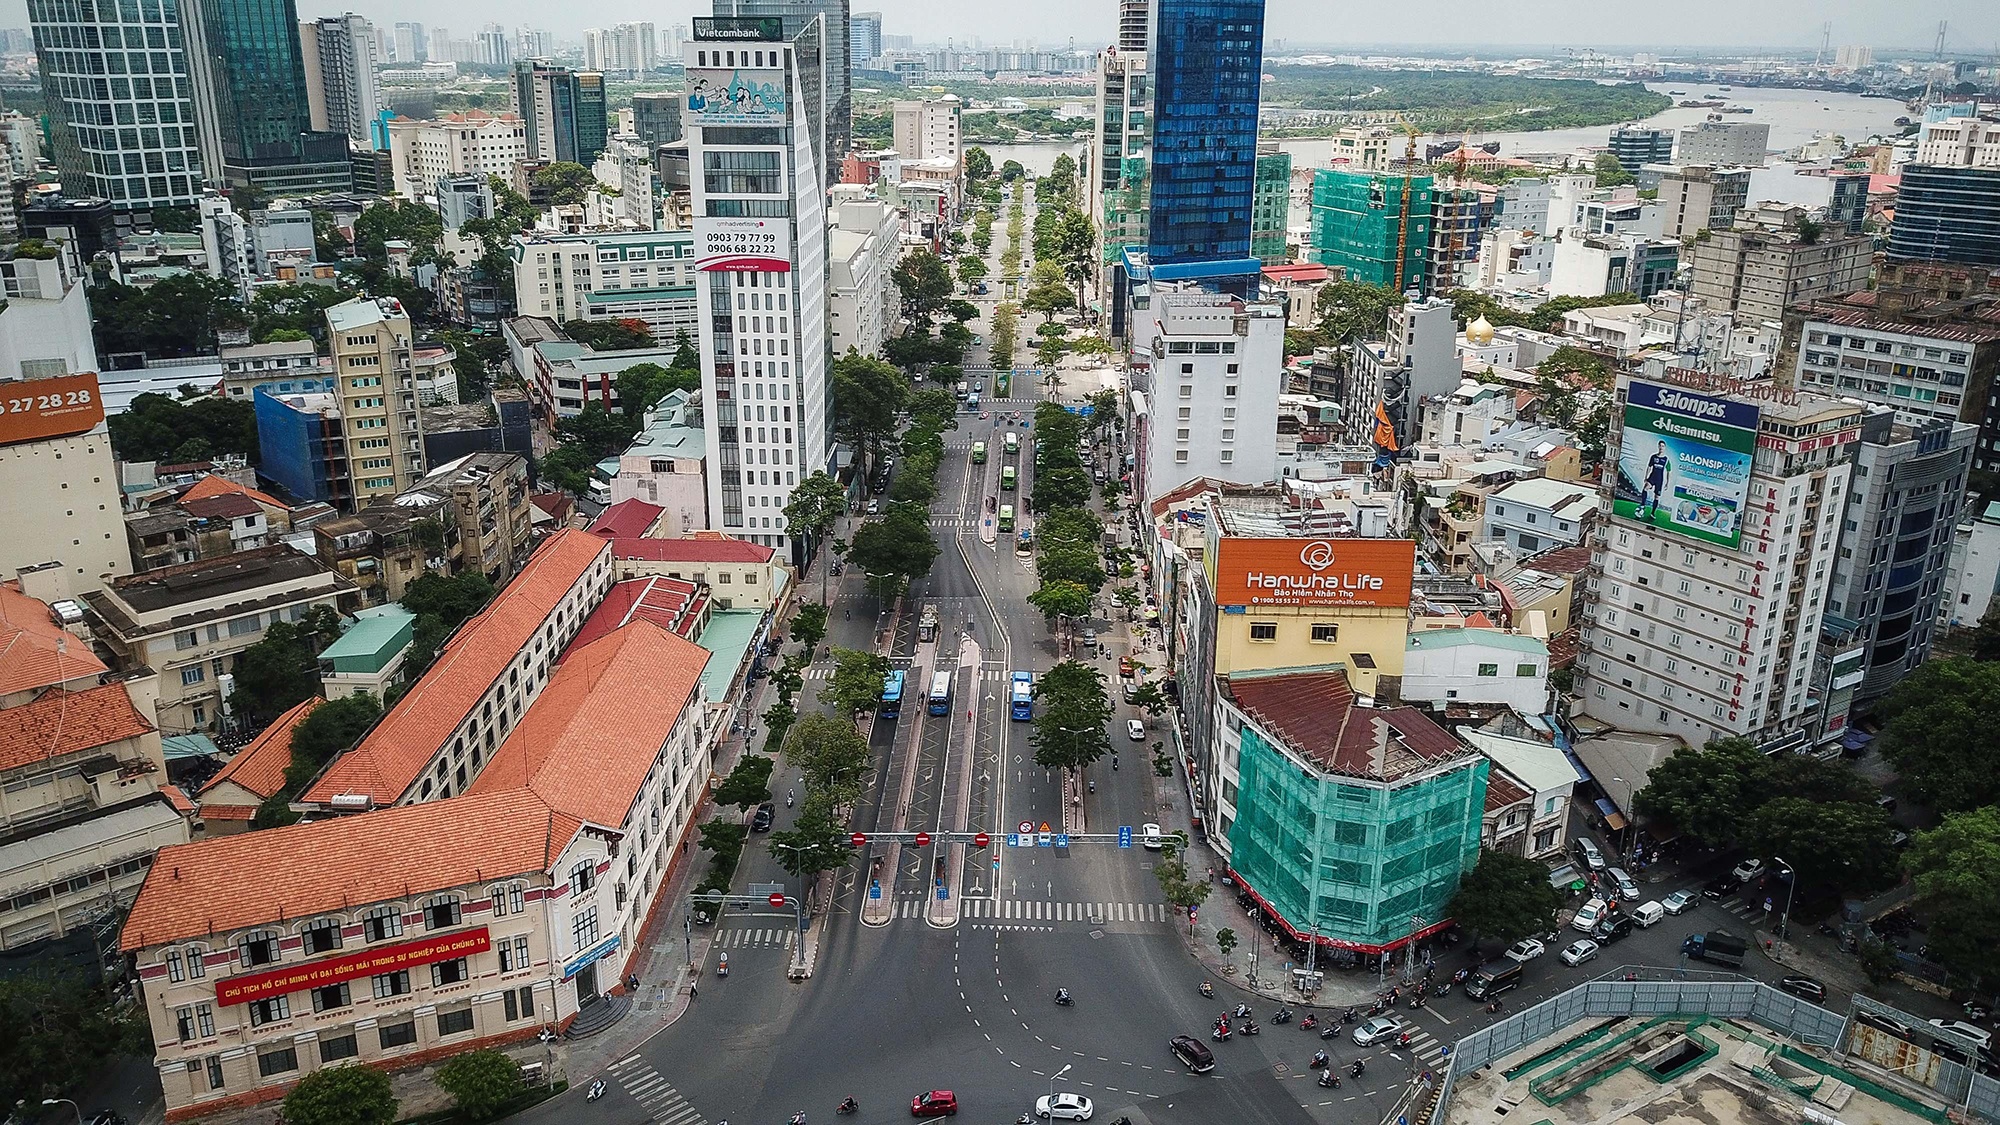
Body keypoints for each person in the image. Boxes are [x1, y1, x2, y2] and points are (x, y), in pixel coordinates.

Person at [1640, 439, 1671, 519]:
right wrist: (1646, 477)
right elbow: (1649, 467)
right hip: (1652, 477)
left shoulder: (1666, 460)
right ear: (1658, 446)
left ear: (1665, 448)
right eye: (1660, 446)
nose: (1661, 447)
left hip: (1659, 480)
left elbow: (1668, 472)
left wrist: (1667, 483)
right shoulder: (1653, 457)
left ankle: (1653, 513)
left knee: (1656, 497)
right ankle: (1642, 506)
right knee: (1645, 488)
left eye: (1663, 446)